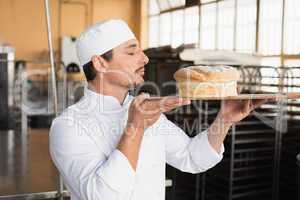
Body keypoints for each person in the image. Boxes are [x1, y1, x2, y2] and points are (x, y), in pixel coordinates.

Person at [49, 19, 266, 200]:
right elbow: (103, 195)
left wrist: (224, 120)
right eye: (132, 52)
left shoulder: (144, 111)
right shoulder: (68, 126)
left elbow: (192, 157)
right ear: (100, 63)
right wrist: (135, 127)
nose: (144, 58)